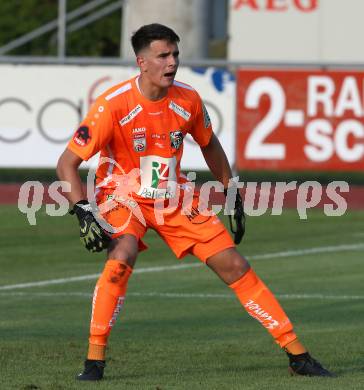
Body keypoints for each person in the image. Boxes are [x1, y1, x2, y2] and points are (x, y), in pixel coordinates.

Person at [57, 23, 333, 381]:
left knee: (234, 265)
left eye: (175, 54)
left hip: (174, 196)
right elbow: (67, 163)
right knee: (121, 256)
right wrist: (83, 211)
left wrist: (230, 189)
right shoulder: (113, 105)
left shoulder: (187, 100)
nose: (172, 62)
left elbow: (209, 143)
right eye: (163, 56)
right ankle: (94, 361)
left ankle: (298, 355)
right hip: (123, 196)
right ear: (142, 62)